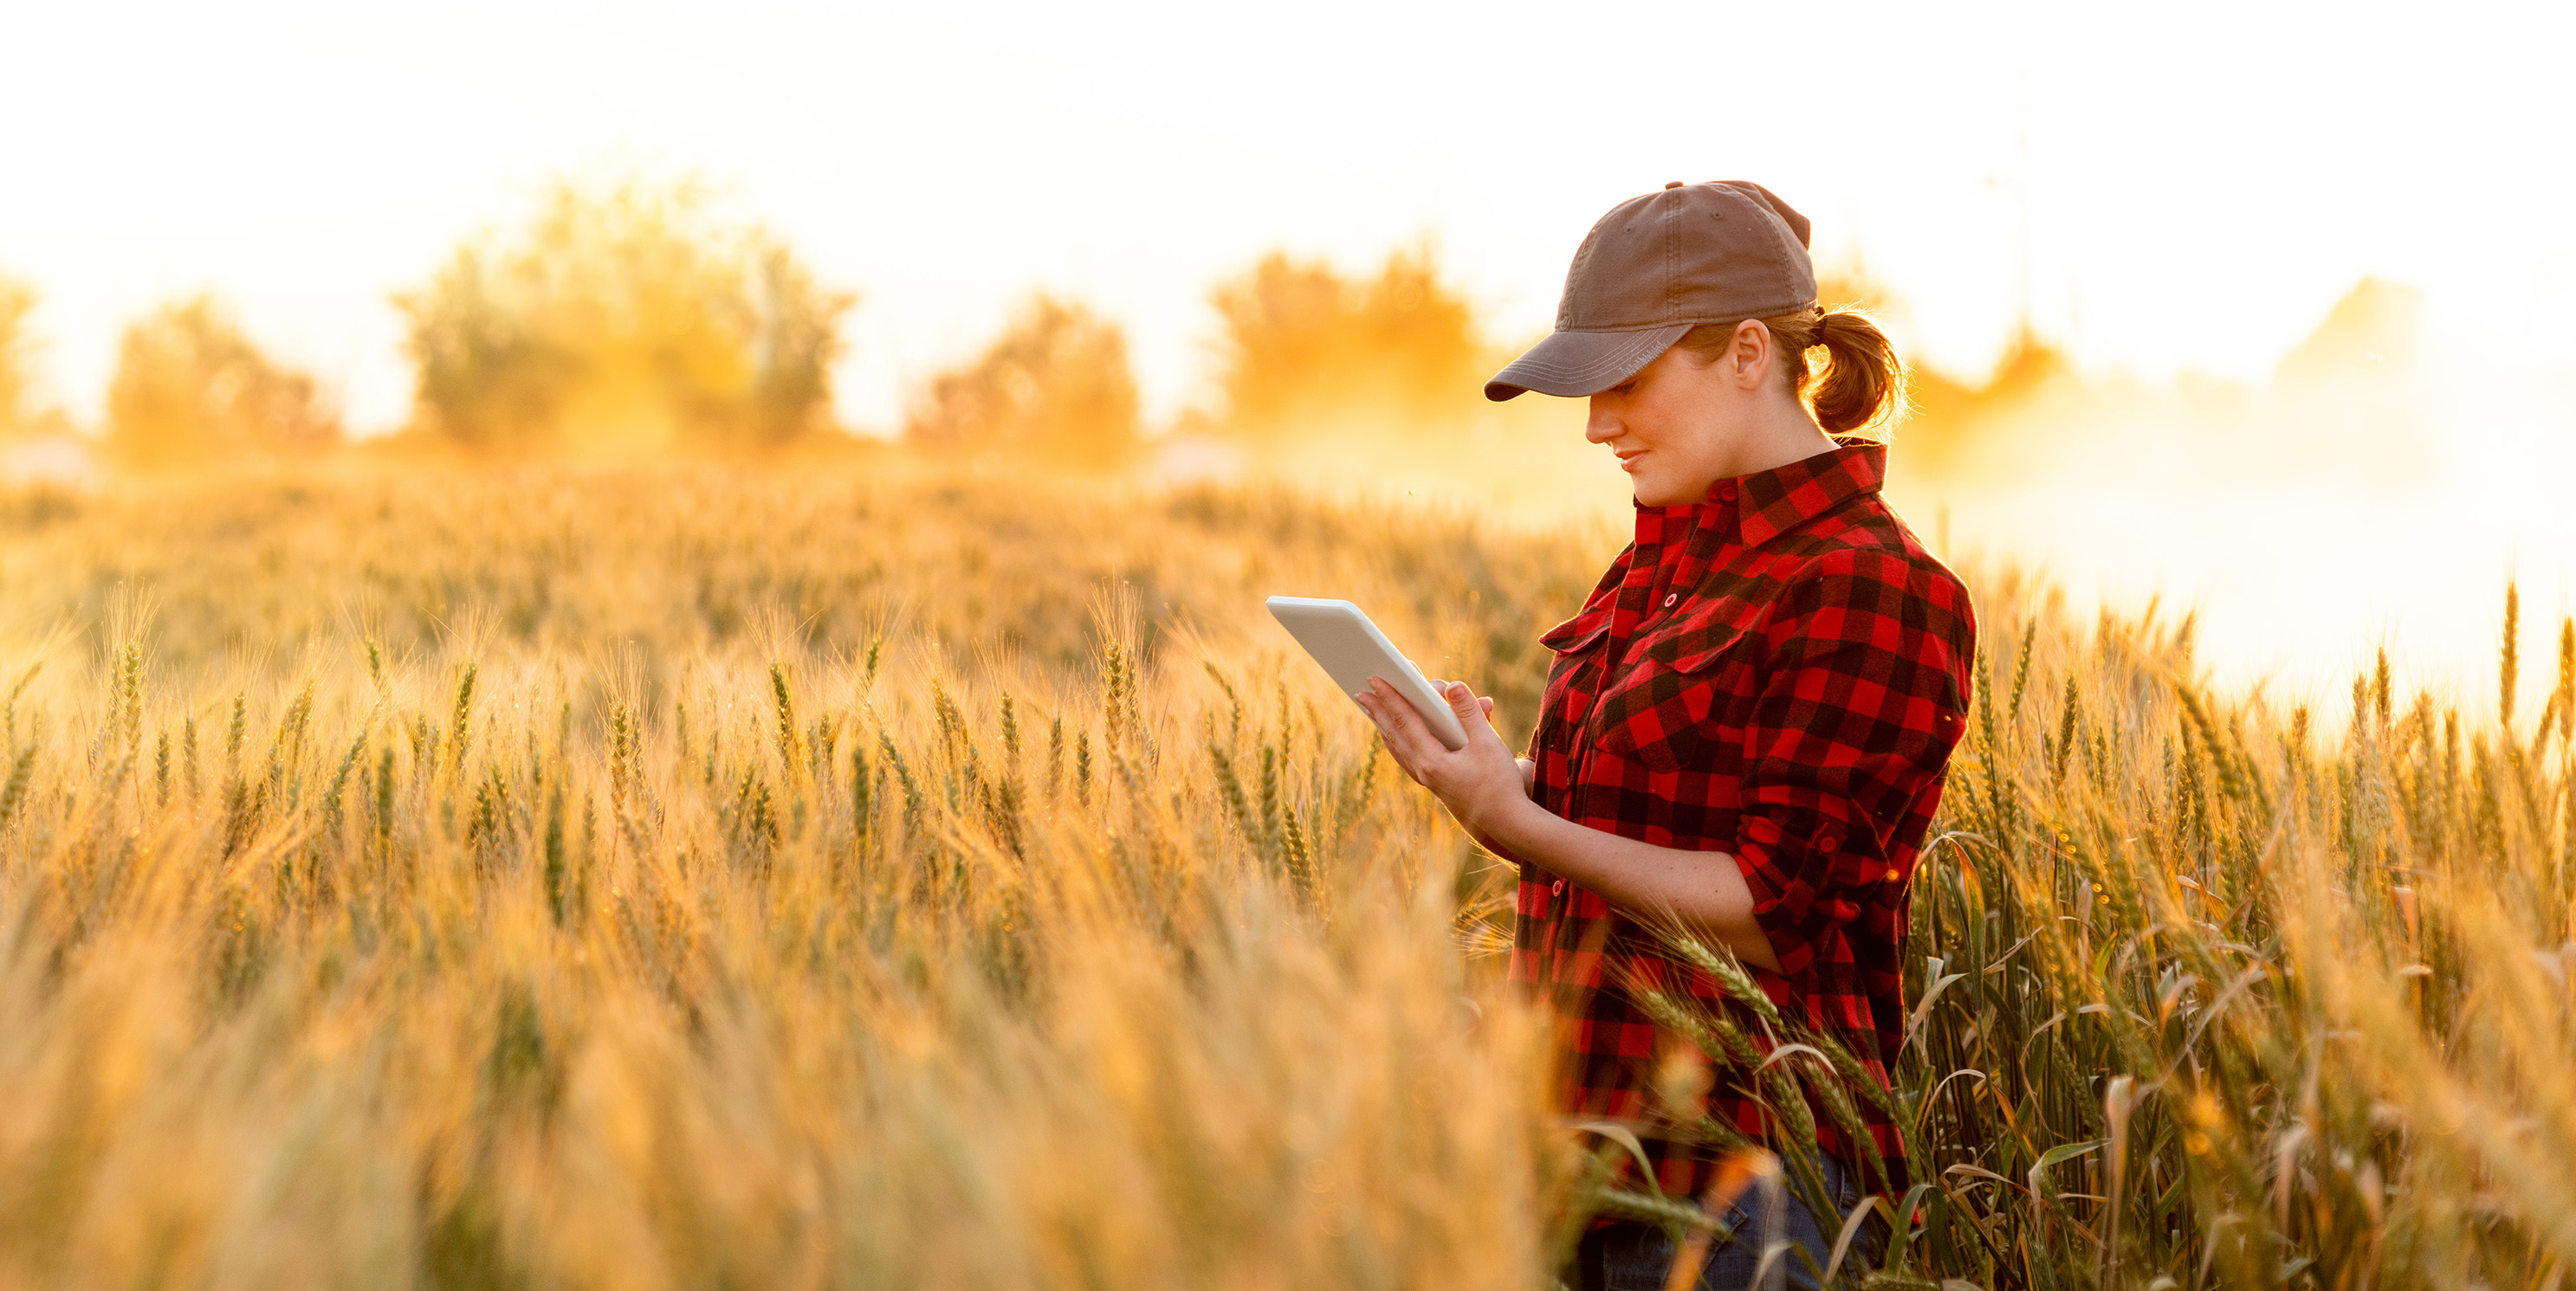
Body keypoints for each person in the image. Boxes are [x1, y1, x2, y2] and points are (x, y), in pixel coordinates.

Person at [1352, 181, 1977, 1290]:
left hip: (1747, 1190)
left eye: (1626, 382)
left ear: (1747, 353)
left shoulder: (1871, 587)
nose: (1596, 425)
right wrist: (1507, 776)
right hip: (1583, 1160)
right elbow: (1645, 815)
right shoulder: (1664, 560)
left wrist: (1511, 823)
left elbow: (1768, 914)